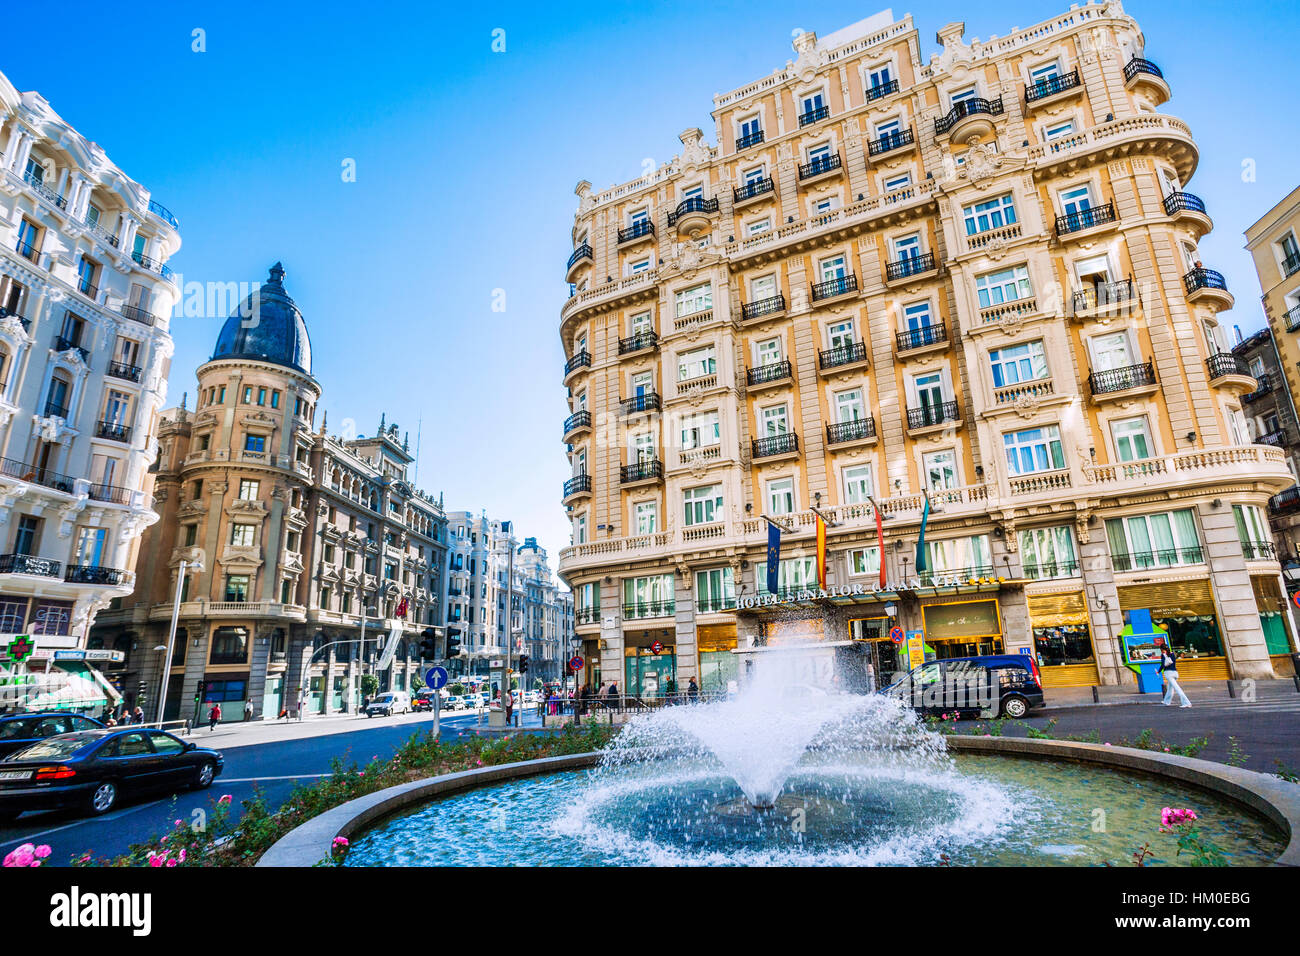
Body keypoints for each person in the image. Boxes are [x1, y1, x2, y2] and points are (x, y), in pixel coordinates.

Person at [1159, 644, 1191, 708]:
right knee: (1170, 688)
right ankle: (1167, 701)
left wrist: (1158, 671)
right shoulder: (1172, 654)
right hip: (1175, 673)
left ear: (1162, 649)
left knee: (1177, 689)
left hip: (1168, 673)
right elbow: (1173, 663)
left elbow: (1163, 665)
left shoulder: (1163, 655)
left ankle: (1186, 702)